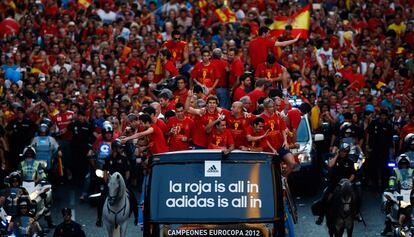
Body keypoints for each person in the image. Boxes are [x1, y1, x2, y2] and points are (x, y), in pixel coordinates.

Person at [314, 143, 356, 225]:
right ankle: (321, 215)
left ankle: (356, 213)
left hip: (346, 184)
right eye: (341, 151)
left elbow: (353, 174)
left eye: (345, 152)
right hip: (335, 183)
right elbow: (330, 165)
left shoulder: (350, 162)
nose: (343, 153)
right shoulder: (335, 159)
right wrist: (336, 155)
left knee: (356, 195)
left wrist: (347, 182)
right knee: (326, 196)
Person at [381, 154, 413, 236]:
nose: (403, 166)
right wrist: (391, 186)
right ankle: (388, 224)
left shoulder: (411, 171)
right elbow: (392, 180)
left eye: (405, 164)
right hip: (398, 193)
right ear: (399, 164)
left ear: (408, 164)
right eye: (402, 164)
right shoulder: (395, 171)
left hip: (410, 193)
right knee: (387, 198)